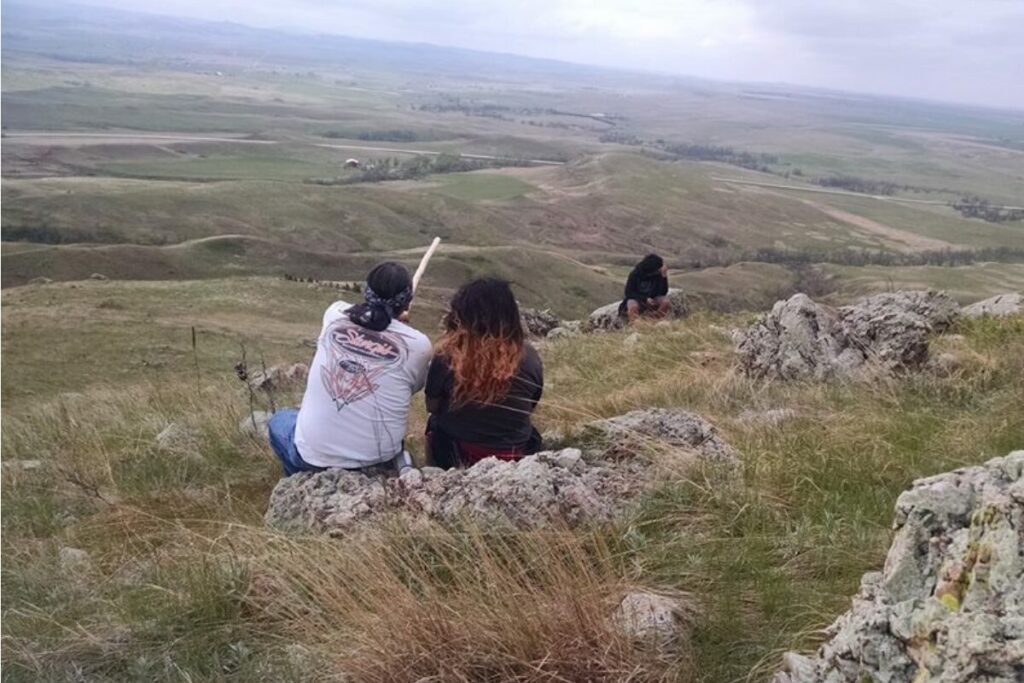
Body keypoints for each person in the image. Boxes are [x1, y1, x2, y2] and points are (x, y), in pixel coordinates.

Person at [267, 262, 432, 476]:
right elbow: (413, 386)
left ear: (367, 292)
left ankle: (299, 482)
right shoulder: (419, 344)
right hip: (379, 458)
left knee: (280, 420)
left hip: (312, 456)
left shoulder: (334, 314)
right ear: (406, 302)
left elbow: (365, 316)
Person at [425, 278, 544, 468]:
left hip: (457, 451)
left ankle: (434, 472)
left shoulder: (447, 356)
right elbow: (531, 404)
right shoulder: (529, 356)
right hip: (514, 453)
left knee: (434, 424)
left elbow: (432, 405)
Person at [619, 253, 670, 323]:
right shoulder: (635, 274)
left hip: (653, 298)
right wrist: (644, 299)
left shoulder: (658, 274)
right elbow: (629, 293)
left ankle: (654, 320)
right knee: (632, 305)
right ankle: (635, 324)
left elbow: (663, 292)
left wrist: (664, 277)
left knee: (665, 302)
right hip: (638, 299)